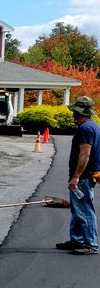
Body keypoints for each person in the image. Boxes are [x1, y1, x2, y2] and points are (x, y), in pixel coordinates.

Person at [57, 95, 100, 254]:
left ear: (78, 112)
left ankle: (90, 244)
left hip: (84, 177)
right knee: (77, 209)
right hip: (88, 175)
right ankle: (77, 240)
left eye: (74, 111)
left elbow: (85, 154)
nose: (73, 114)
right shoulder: (93, 125)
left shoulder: (85, 129)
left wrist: (76, 177)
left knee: (85, 210)